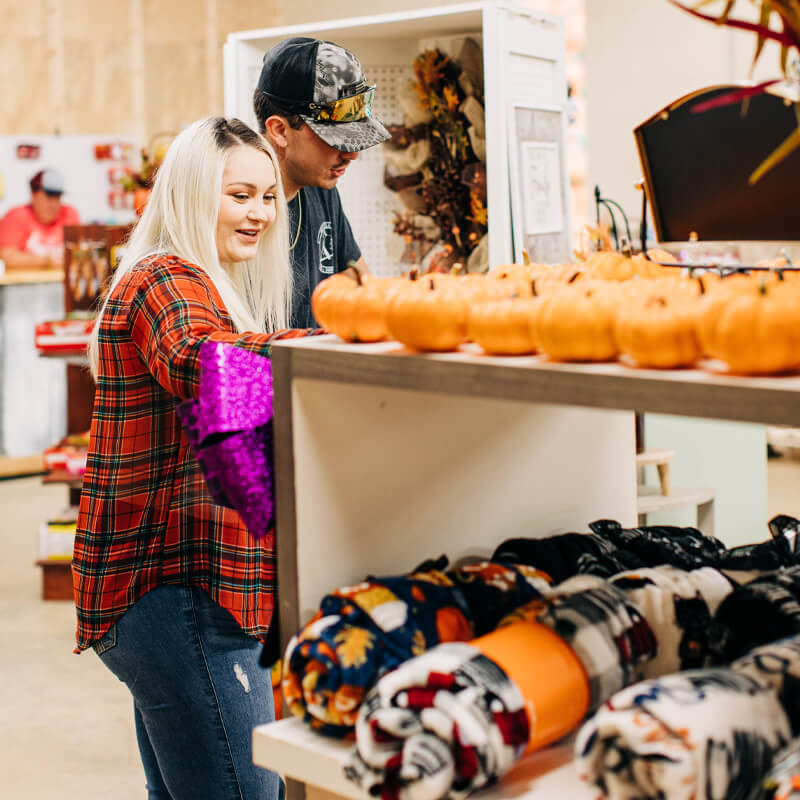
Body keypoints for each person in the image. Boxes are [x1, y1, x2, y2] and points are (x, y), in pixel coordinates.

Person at [72, 116, 307, 800]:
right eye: (240, 195)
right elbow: (202, 362)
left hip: (180, 597)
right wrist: (341, 345)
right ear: (193, 194)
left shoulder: (206, 282)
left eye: (268, 197)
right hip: (180, 596)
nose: (260, 213)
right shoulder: (166, 278)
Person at [253, 36, 390, 327]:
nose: (352, 154)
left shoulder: (322, 188)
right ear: (279, 130)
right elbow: (211, 358)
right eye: (335, 139)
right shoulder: (234, 216)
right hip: (270, 370)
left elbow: (363, 283)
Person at [0, 168, 80, 270]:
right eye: (48, 197)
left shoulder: (69, 214)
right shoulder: (16, 216)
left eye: (58, 197)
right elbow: (5, 258)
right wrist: (45, 260)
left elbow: (79, 253)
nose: (54, 204)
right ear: (33, 195)